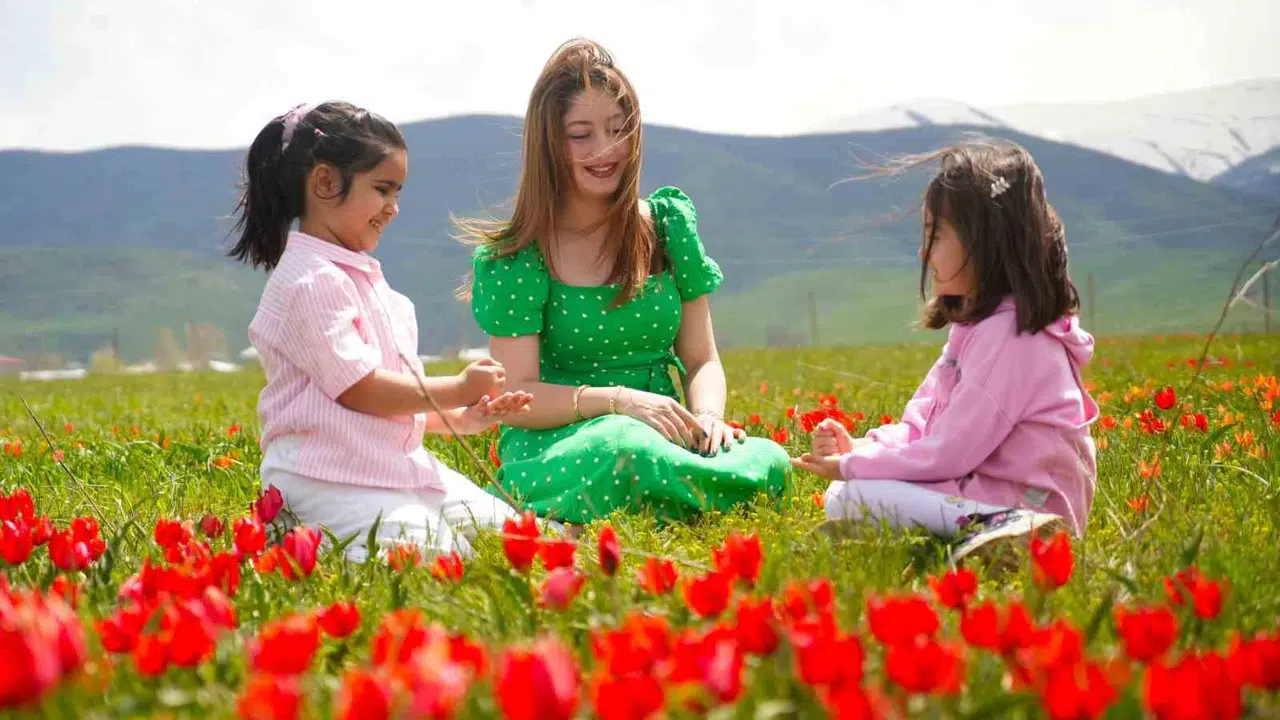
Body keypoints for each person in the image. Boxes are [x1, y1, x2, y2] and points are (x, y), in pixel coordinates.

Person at [458, 39, 790, 525]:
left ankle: (670, 491)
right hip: (564, 441)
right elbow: (518, 400)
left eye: (619, 130)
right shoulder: (520, 258)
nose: (605, 150)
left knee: (770, 458)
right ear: (549, 142)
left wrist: (711, 419)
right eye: (581, 134)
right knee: (622, 446)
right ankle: (688, 497)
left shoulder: (668, 226)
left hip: (668, 434)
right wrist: (618, 402)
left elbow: (701, 359)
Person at [230, 101, 530, 561]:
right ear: (326, 182)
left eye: (397, 193)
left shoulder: (361, 277)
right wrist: (457, 387)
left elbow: (382, 405)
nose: (392, 208)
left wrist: (457, 419)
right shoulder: (310, 280)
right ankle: (293, 531)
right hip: (324, 477)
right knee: (439, 554)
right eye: (382, 189)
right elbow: (360, 390)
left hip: (392, 469)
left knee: (515, 534)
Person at [791, 139, 1099, 564]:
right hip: (984, 489)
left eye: (935, 236)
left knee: (853, 492)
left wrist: (854, 467)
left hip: (1036, 507)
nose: (923, 253)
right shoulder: (976, 329)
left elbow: (951, 452)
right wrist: (860, 449)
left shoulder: (1011, 339)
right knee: (844, 494)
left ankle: (1013, 534)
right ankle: (977, 539)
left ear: (986, 241)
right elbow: (922, 424)